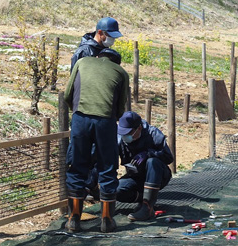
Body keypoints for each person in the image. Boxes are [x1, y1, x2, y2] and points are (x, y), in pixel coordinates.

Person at [64, 48, 129, 233]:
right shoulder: (121, 72)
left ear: (99, 56)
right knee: (107, 167)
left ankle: (73, 219)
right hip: (105, 121)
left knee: (77, 166)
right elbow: (120, 107)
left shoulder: (82, 62)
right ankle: (107, 221)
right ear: (116, 62)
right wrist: (107, 119)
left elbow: (68, 94)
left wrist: (78, 113)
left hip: (80, 118)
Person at [67, 16, 123, 200]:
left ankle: (91, 189)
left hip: (96, 112)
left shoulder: (102, 50)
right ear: (100, 33)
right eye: (110, 35)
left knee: (97, 156)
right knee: (83, 158)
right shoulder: (85, 52)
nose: (113, 40)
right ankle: (84, 195)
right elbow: (74, 84)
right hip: (86, 110)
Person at [116, 111, 173, 221]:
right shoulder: (120, 139)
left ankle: (147, 208)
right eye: (123, 133)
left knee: (152, 162)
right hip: (136, 176)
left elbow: (169, 158)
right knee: (116, 189)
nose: (125, 136)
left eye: (129, 133)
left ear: (139, 128)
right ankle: (145, 199)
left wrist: (149, 153)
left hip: (157, 176)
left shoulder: (153, 134)